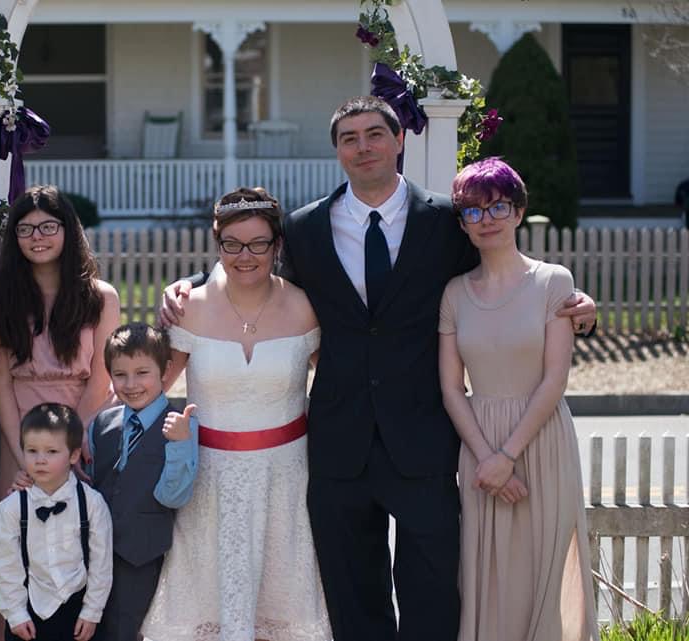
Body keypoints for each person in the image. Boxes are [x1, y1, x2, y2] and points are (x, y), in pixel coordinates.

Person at [160, 96, 597, 641]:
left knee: (433, 595)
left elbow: (501, 278)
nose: (362, 147)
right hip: (338, 443)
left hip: (424, 438)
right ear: (337, 151)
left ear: (399, 141)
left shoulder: (444, 221)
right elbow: (252, 266)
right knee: (353, 599)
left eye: (374, 135)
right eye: (349, 138)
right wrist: (192, 284)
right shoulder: (306, 227)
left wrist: (579, 307)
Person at [143, 187, 331, 641]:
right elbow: (150, 388)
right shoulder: (188, 307)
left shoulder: (305, 307)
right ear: (217, 244)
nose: (245, 256)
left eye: (258, 244)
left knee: (280, 611)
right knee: (211, 609)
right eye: (232, 244)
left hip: (285, 480)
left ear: (277, 245)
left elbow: (339, 387)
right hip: (211, 482)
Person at [439, 158, 599, 641]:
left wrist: (507, 456)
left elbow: (554, 379)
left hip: (541, 440)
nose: (486, 219)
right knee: (486, 573)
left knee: (542, 570)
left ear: (519, 211)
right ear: (463, 223)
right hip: (479, 443)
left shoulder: (554, 282)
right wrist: (487, 458)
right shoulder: (454, 293)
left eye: (498, 207)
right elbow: (452, 388)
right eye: (473, 211)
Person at [0, 185, 121, 495]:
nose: (37, 236)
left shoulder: (101, 298)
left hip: (84, 430)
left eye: (48, 226)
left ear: (68, 230)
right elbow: (1, 385)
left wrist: (70, 442)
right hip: (19, 434)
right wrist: (23, 454)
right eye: (25, 229)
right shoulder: (0, 299)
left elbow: (101, 379)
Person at [88, 322, 199, 641]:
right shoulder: (102, 424)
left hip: (142, 556)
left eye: (142, 373)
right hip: (96, 552)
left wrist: (179, 444)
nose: (131, 384)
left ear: (165, 371)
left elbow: (174, 496)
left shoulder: (182, 426)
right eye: (120, 374)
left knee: (126, 631)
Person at [0, 403, 113, 641]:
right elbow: (6, 565)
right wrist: (15, 613)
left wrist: (92, 611)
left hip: (78, 612)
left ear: (74, 455)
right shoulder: (11, 508)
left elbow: (101, 563)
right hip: (29, 611)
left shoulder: (91, 503)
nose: (40, 460)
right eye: (32, 451)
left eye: (51, 452)